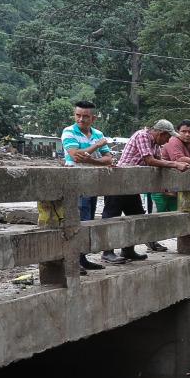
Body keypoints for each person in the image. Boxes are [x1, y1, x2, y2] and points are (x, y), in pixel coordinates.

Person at [101, 119, 182, 264]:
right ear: (161, 133)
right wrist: (175, 164)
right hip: (120, 181)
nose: (168, 140)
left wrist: (172, 165)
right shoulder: (142, 136)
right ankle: (107, 251)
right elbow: (150, 160)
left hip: (133, 184)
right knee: (111, 216)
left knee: (136, 216)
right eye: (167, 137)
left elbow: (159, 160)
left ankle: (128, 249)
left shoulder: (155, 144)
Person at [58, 99, 114, 271]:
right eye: (78, 115)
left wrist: (90, 159)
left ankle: (81, 258)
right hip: (74, 181)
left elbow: (109, 159)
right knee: (77, 219)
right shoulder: (69, 132)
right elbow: (75, 155)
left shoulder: (97, 132)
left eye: (85, 117)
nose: (81, 120)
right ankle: (73, 260)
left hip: (91, 182)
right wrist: (96, 146)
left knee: (87, 219)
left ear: (93, 118)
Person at [152, 119, 190, 253]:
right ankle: (151, 239)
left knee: (181, 216)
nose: (187, 135)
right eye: (184, 132)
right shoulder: (173, 141)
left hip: (181, 189)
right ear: (178, 132)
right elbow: (179, 159)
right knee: (159, 216)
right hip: (164, 187)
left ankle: (187, 245)